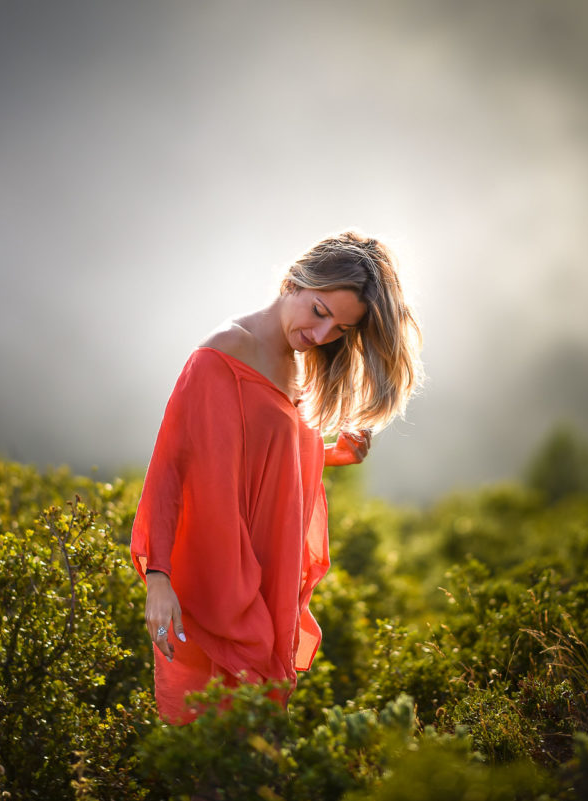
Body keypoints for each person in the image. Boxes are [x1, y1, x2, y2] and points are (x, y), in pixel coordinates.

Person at [130, 230, 423, 725]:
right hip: (217, 577)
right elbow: (173, 467)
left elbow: (259, 457)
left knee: (253, 741)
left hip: (268, 578)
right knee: (213, 740)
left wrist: (329, 454)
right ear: (294, 281)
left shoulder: (296, 367)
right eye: (319, 311)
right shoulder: (223, 354)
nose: (321, 335)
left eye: (339, 330)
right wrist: (157, 578)